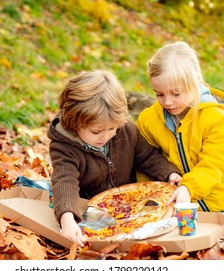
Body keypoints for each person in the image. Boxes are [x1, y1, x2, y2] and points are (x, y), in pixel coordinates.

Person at [48, 69, 182, 246]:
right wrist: (67, 218)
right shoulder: (64, 146)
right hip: (91, 209)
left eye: (112, 129)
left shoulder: (125, 131)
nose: (105, 136)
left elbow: (147, 156)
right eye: (96, 131)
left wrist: (169, 174)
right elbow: (65, 180)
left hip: (131, 204)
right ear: (74, 122)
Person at [137, 41, 224, 214]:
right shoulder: (148, 120)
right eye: (159, 94)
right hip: (171, 201)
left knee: (210, 238)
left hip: (216, 201)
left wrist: (189, 188)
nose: (168, 102)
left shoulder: (214, 118)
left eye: (176, 93)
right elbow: (144, 160)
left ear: (195, 84)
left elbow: (216, 163)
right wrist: (148, 198)